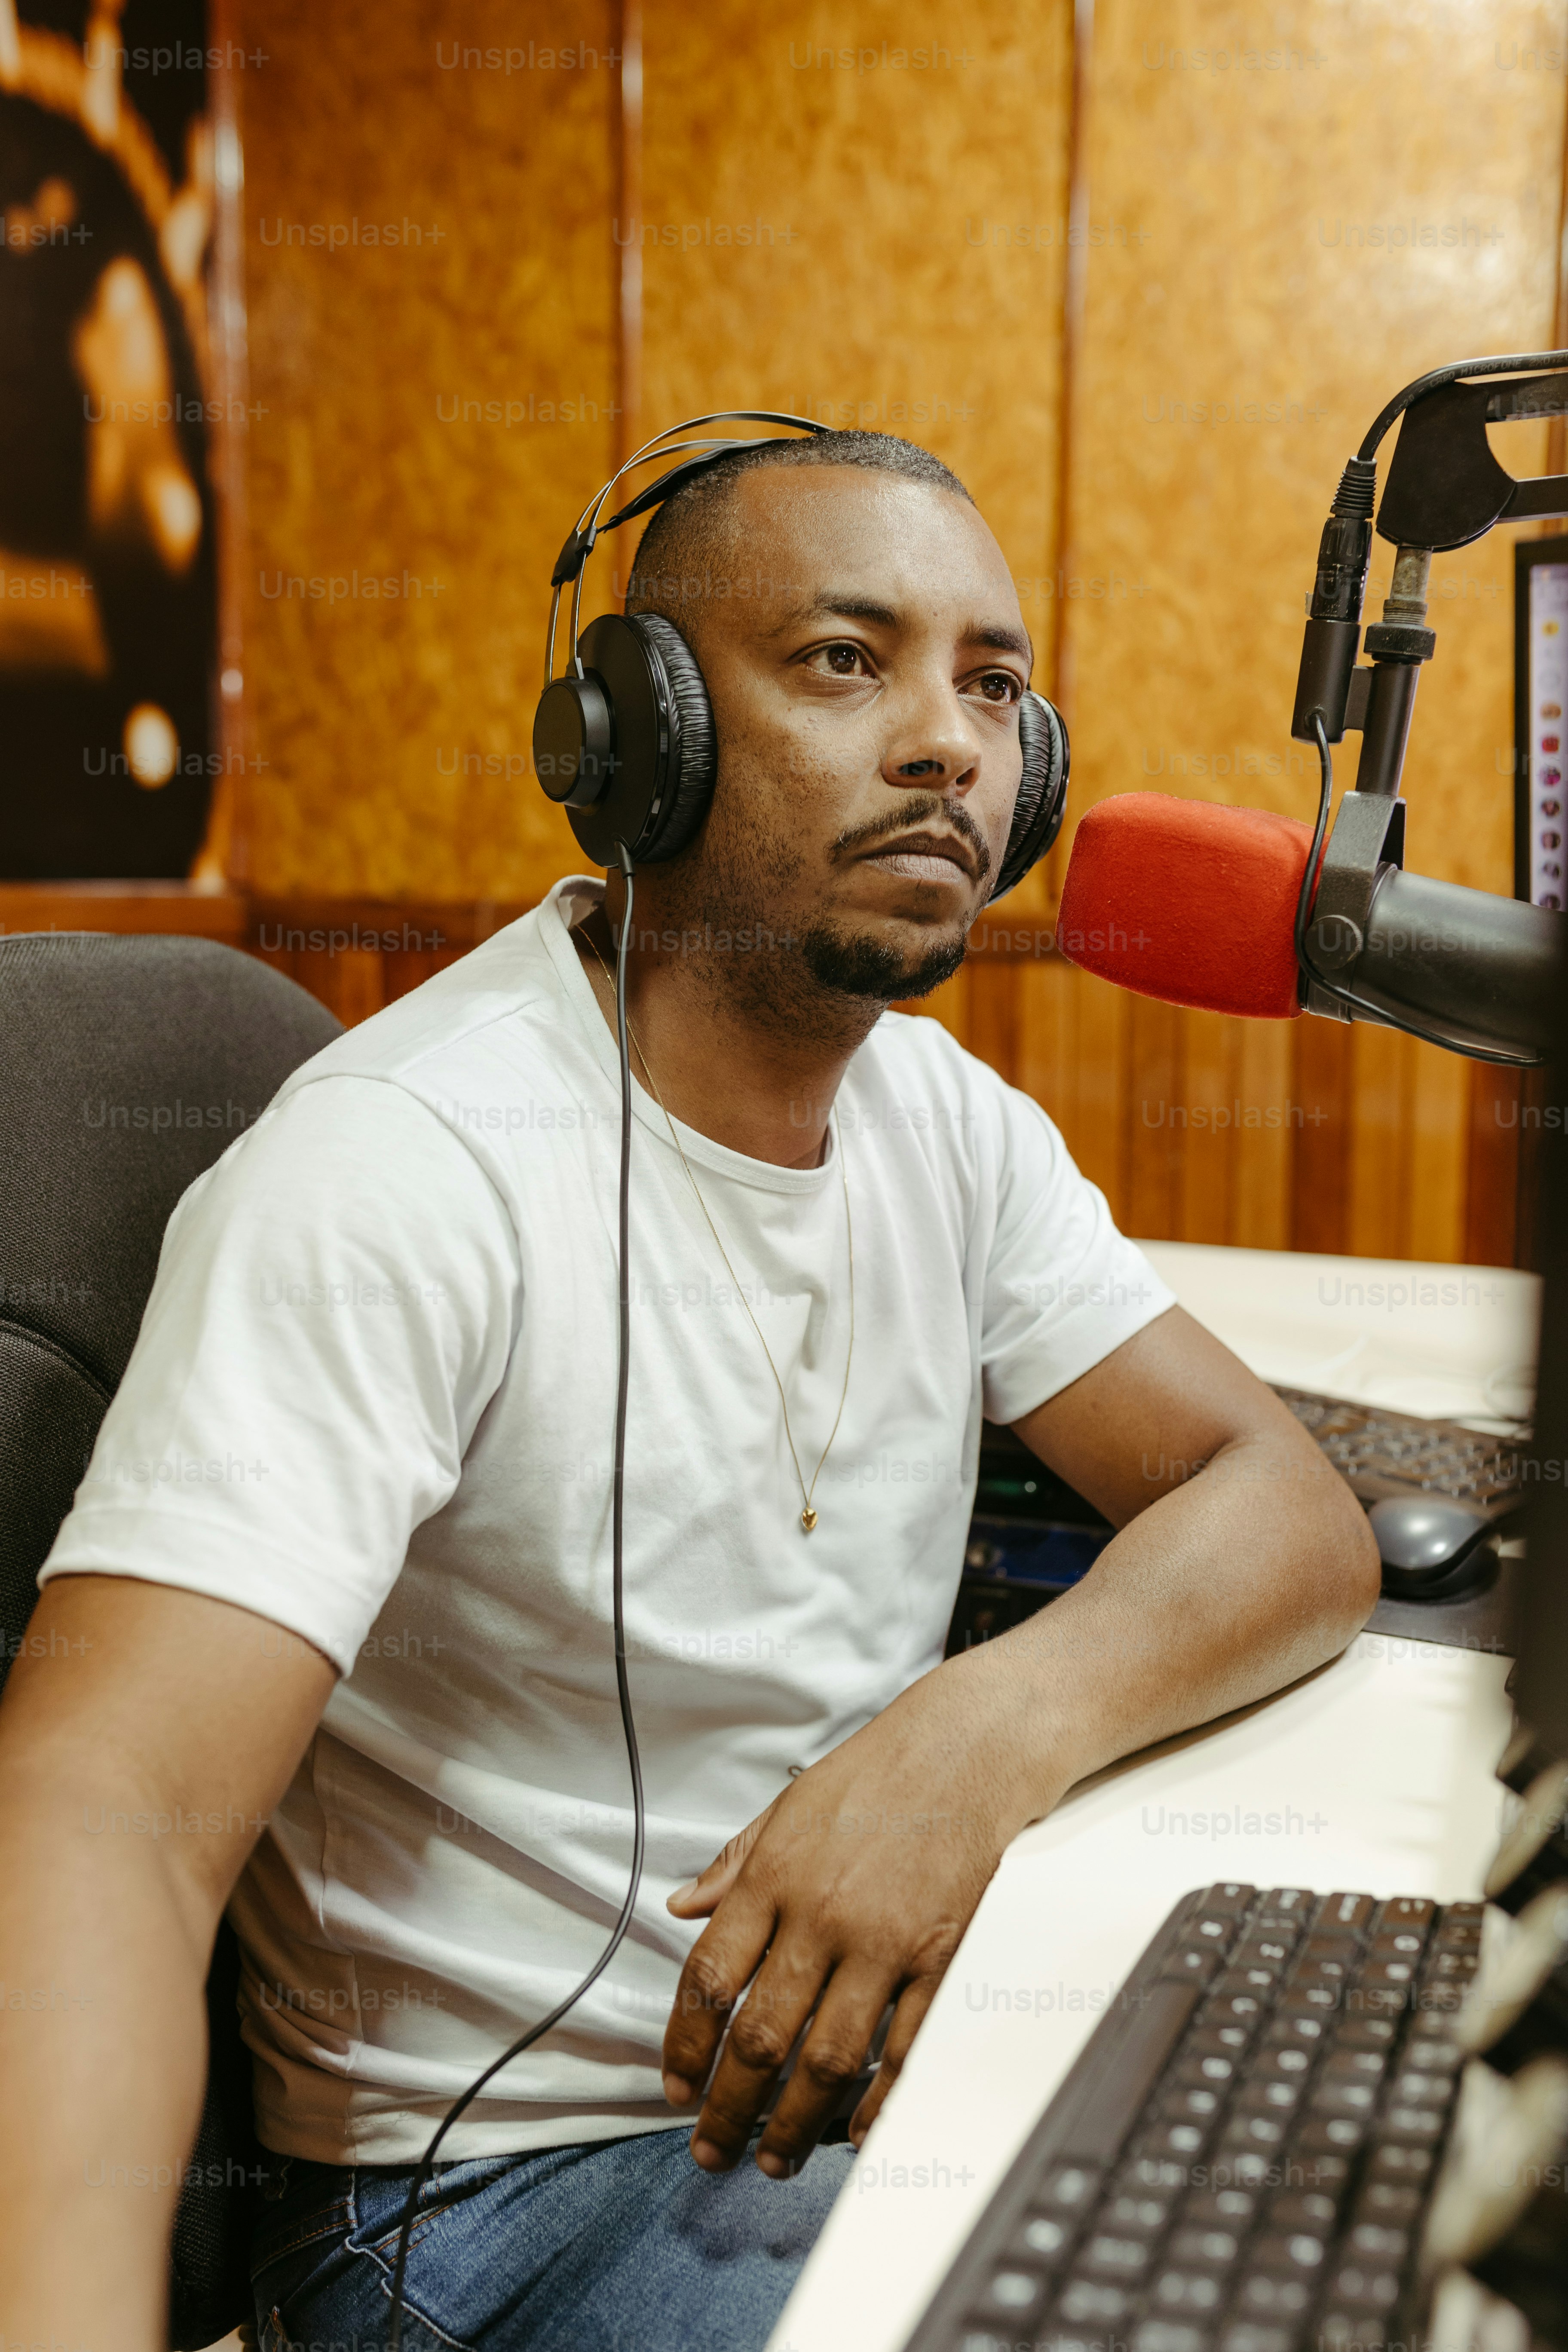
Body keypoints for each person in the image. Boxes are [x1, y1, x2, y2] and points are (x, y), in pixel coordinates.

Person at [0, 432, 1379, 2352]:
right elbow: (110, 1802)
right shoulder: (405, 1166)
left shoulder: (946, 1127)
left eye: (993, 685)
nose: (949, 744)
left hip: (847, 2092)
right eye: (842, 660)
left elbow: (1284, 1501)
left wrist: (977, 1741)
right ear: (633, 737)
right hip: (492, 2200)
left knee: (1337, 2237)